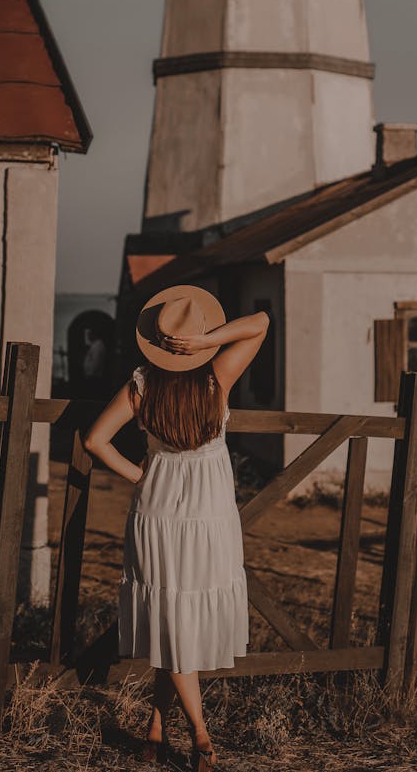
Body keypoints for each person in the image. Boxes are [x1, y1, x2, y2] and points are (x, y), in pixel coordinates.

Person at [85, 285, 270, 771]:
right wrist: (211, 343)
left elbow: (95, 440)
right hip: (210, 516)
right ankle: (201, 735)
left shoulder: (142, 386)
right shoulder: (218, 377)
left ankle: (155, 726)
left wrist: (140, 474)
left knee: (173, 617)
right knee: (180, 619)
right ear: (198, 340)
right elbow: (261, 323)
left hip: (160, 511)